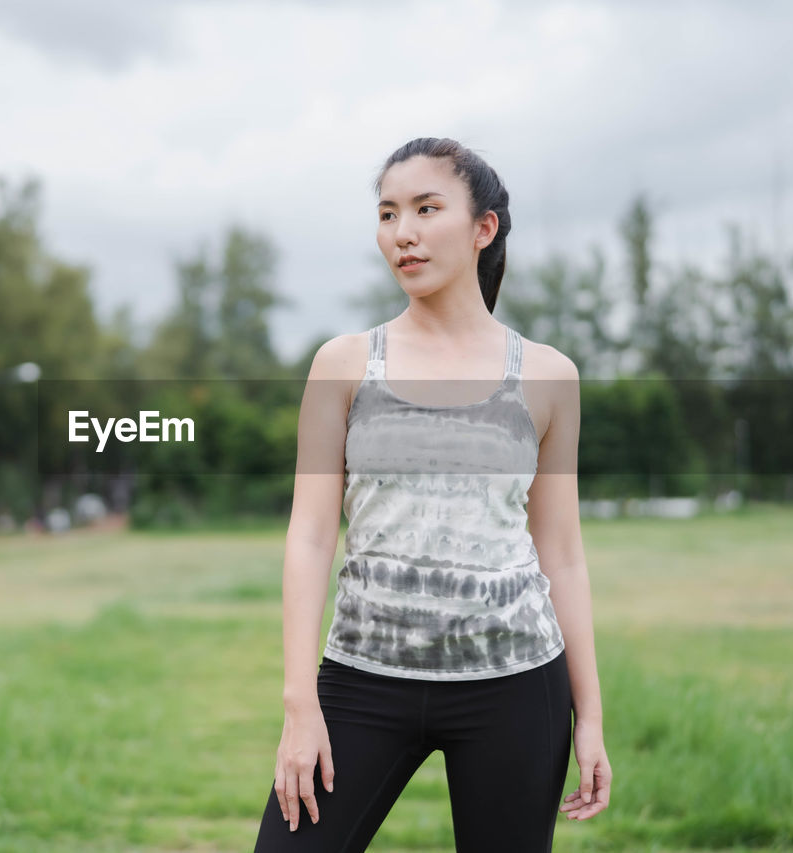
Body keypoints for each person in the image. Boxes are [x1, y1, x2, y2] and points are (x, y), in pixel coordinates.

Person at [252, 137, 611, 852]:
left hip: (514, 682)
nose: (402, 233)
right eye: (388, 213)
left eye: (425, 208)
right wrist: (300, 703)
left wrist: (591, 713)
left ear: (484, 228)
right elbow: (312, 534)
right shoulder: (345, 362)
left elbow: (562, 554)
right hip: (362, 677)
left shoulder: (548, 375)